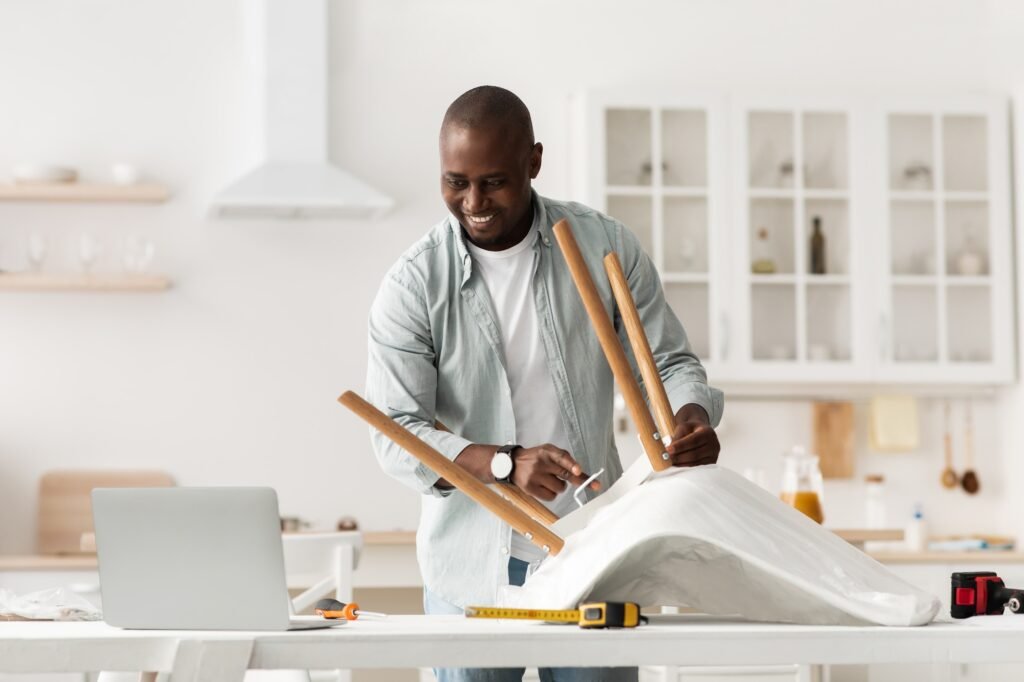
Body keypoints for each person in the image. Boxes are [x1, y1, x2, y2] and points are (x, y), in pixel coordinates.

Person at [366, 85, 724, 682]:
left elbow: (668, 362)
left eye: (495, 181)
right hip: (469, 566)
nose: (473, 201)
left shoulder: (604, 245)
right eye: (456, 182)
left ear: (534, 161)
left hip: (594, 552)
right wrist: (506, 464)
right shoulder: (412, 285)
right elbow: (395, 435)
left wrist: (689, 414)